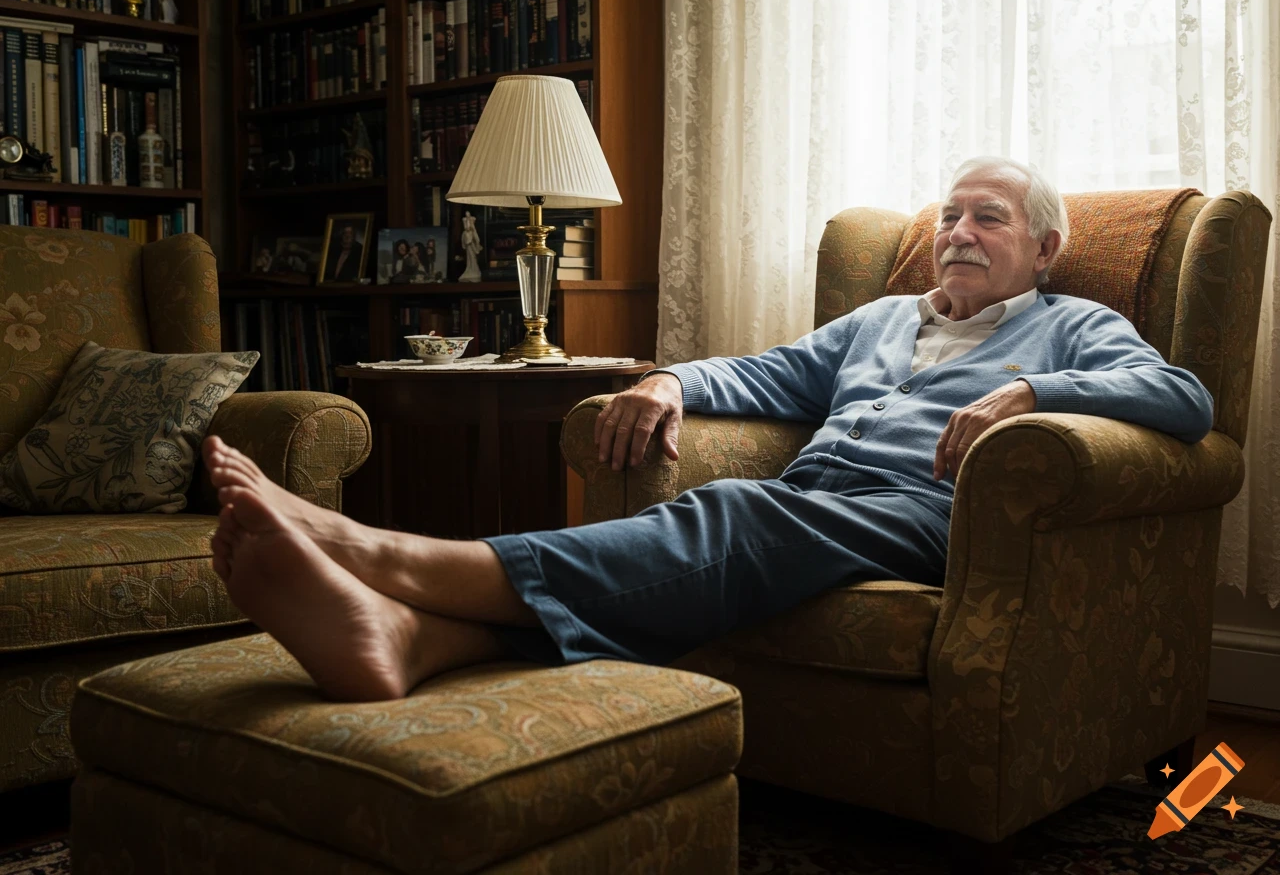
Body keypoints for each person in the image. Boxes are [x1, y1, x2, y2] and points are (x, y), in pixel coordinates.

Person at [202, 156, 1214, 703]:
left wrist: (1026, 398)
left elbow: (1184, 403)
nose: (957, 232)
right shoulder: (879, 318)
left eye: (987, 218)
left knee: (733, 509)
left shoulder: (1073, 324)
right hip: (818, 507)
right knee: (743, 515)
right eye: (947, 214)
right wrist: (670, 381)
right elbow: (766, 371)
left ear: (1041, 247)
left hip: (936, 515)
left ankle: (382, 553)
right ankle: (410, 639)